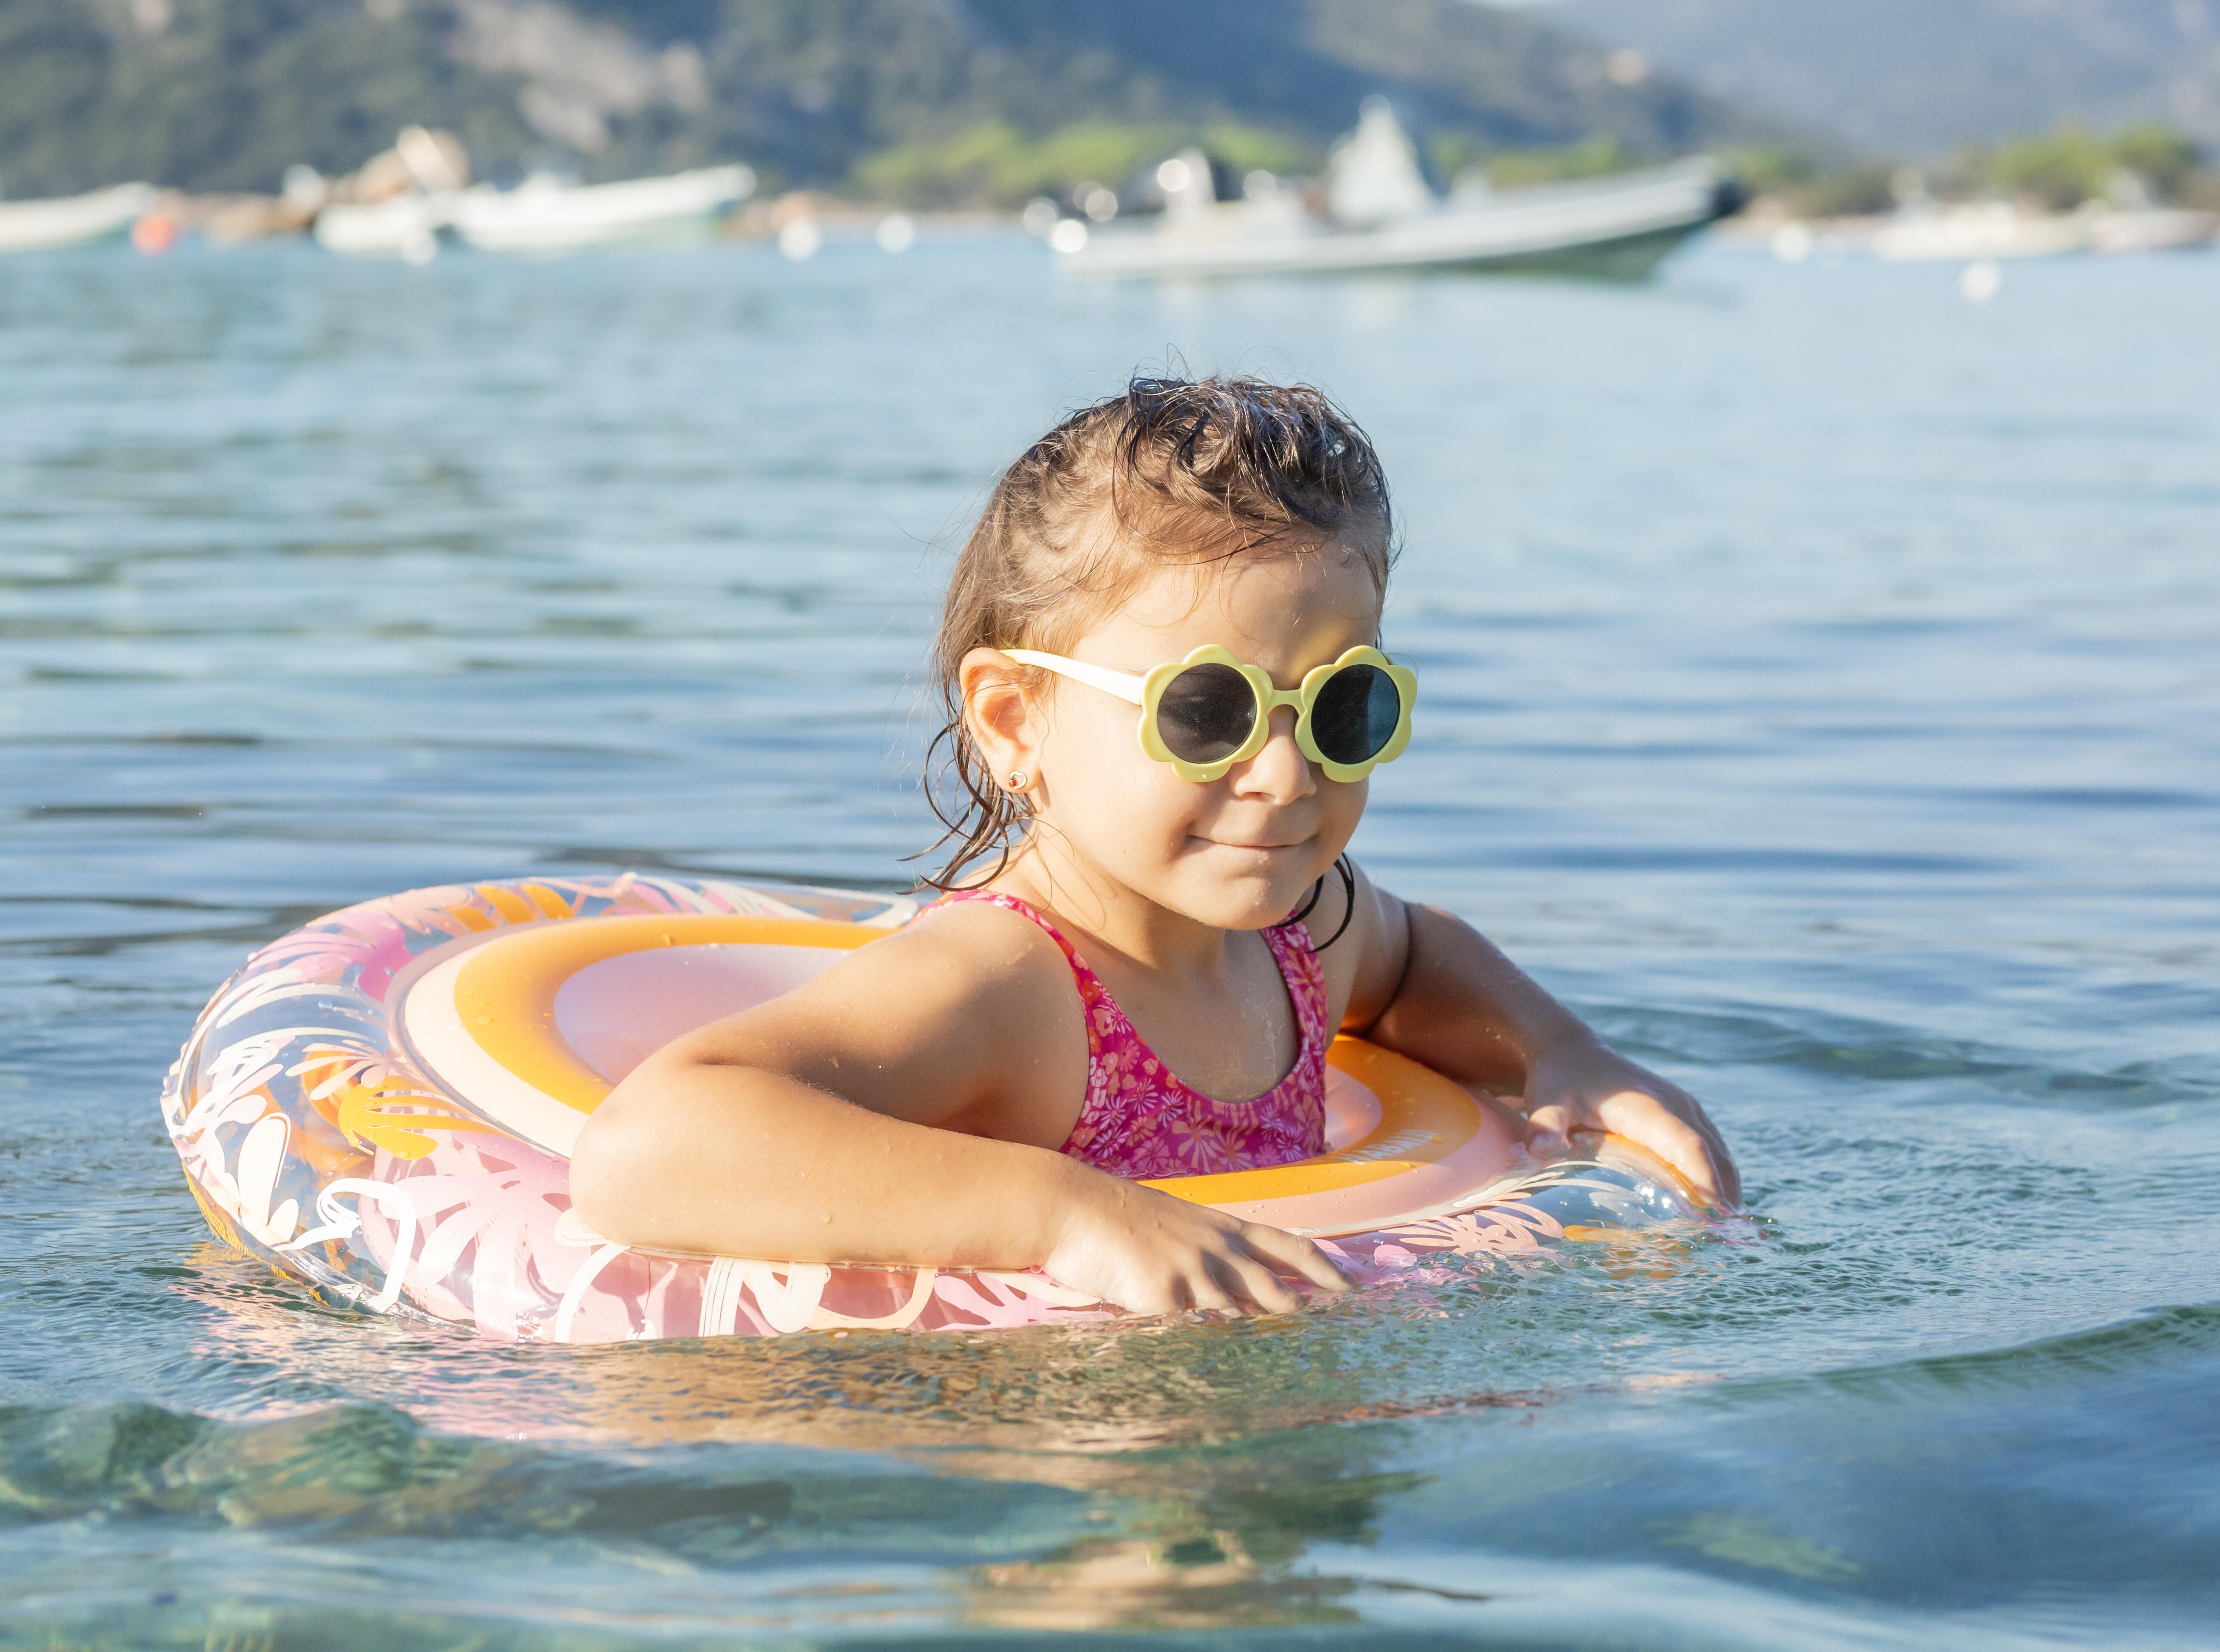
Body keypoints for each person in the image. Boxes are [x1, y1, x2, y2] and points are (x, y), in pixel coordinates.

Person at [572, 376, 1735, 1315]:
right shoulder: (1009, 983)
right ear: (1013, 721)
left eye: (1342, 710)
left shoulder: (1301, 935)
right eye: (1209, 711)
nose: (1284, 775)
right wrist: (1066, 1212)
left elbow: (1418, 956)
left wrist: (1564, 1056)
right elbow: (648, 1147)